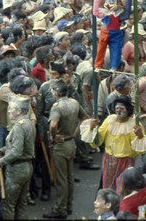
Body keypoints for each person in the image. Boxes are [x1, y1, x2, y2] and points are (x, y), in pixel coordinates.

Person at [85, 95, 146, 195]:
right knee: (107, 190)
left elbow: (141, 150)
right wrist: (92, 129)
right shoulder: (110, 120)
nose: (118, 111)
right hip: (109, 161)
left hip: (126, 162)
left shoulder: (134, 125)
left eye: (122, 108)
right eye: (117, 108)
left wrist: (140, 136)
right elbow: (97, 142)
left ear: (128, 110)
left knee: (122, 190)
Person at [43, 79, 88, 219]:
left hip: (61, 146)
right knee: (69, 177)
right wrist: (76, 132)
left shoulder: (57, 107)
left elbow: (53, 125)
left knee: (61, 179)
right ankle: (68, 205)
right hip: (71, 143)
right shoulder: (74, 102)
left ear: (56, 93)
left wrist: (54, 136)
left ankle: (60, 209)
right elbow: (85, 117)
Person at [0, 96, 35, 220]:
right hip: (26, 167)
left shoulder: (18, 127)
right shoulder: (28, 123)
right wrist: (3, 149)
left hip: (17, 169)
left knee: (9, 204)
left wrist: (1, 161)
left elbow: (17, 151)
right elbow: (20, 145)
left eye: (11, 109)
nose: (9, 111)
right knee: (22, 203)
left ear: (19, 111)